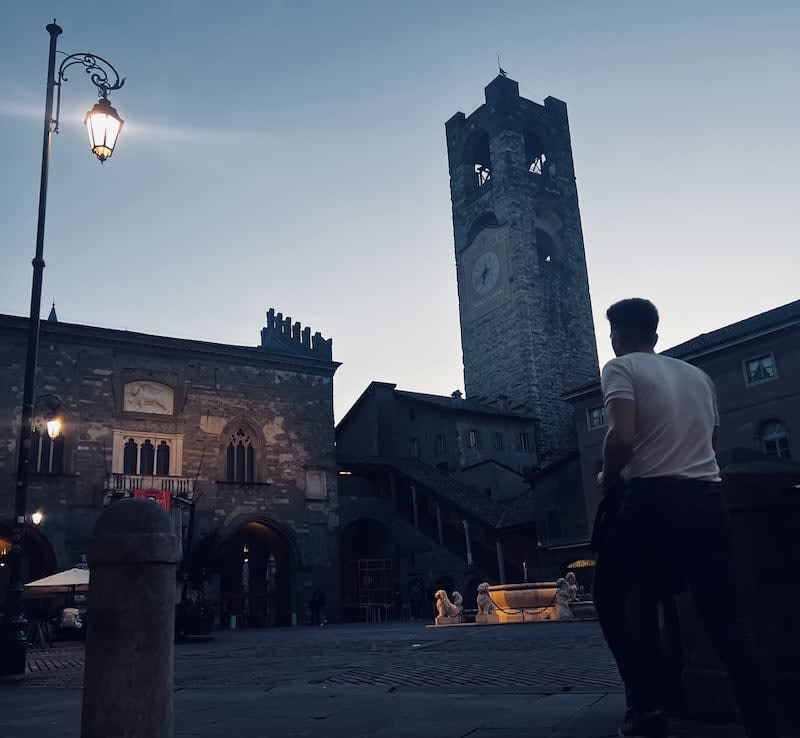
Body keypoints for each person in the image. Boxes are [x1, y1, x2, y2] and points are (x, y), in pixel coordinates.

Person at [597, 298, 776, 738]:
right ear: (656, 337)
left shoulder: (620, 368)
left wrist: (608, 474)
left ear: (617, 336)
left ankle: (647, 709)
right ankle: (762, 718)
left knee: (619, 599)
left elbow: (623, 435)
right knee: (722, 613)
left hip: (652, 498)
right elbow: (710, 442)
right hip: (707, 498)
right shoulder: (698, 376)